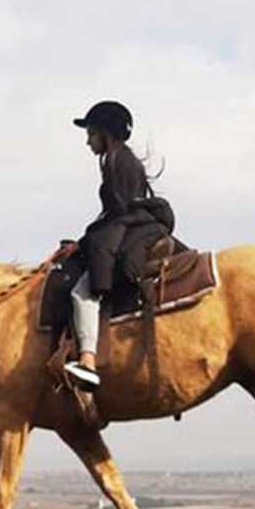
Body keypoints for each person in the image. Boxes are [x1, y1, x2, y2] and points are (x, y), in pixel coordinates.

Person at [64, 101, 171, 394]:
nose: (87, 140)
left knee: (81, 292)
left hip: (128, 232)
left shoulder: (118, 162)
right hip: (129, 228)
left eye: (91, 133)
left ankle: (87, 361)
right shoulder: (120, 160)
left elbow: (119, 215)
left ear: (105, 133)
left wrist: (87, 245)